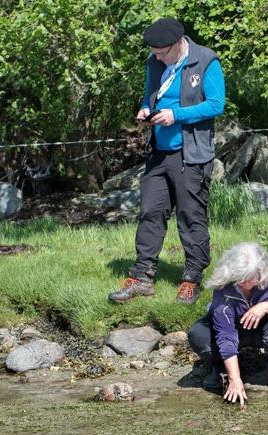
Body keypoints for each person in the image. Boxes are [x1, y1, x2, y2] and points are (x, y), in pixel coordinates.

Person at [109, 18, 225, 306]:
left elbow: (215, 104)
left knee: (191, 217)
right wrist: (146, 108)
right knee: (150, 212)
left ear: (178, 44)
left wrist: (177, 115)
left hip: (191, 154)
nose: (156, 57)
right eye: (154, 52)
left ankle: (192, 279)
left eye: (161, 52)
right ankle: (142, 277)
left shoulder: (206, 61)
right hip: (159, 152)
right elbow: (151, 95)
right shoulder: (155, 62)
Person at [187, 242, 268, 407]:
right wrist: (235, 379)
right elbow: (225, 334)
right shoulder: (224, 284)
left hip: (266, 324)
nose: (247, 283)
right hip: (233, 327)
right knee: (198, 335)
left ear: (261, 270)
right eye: (241, 280)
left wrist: (266, 306)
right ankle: (217, 366)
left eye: (251, 278)